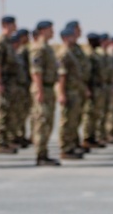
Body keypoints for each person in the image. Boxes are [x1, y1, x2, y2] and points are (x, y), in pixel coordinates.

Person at [29, 21, 60, 166]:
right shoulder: (39, 48)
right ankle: (40, 156)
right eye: (50, 30)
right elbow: (36, 71)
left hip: (48, 88)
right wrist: (40, 91)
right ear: (42, 31)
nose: (52, 32)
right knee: (41, 122)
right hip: (42, 89)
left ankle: (44, 153)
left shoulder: (48, 48)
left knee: (48, 122)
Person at [55, 26, 86, 160]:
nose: (75, 38)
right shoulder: (63, 53)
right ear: (66, 37)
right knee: (66, 120)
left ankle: (71, 146)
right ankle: (65, 148)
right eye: (72, 36)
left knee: (73, 120)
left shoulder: (71, 52)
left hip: (74, 91)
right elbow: (62, 75)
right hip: (68, 91)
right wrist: (61, 93)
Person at [0, 16, 20, 154]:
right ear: (5, 25)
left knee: (11, 113)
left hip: (11, 83)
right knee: (3, 113)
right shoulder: (0, 42)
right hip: (4, 82)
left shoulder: (8, 42)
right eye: (13, 24)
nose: (16, 26)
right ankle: (1, 144)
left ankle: (7, 141)